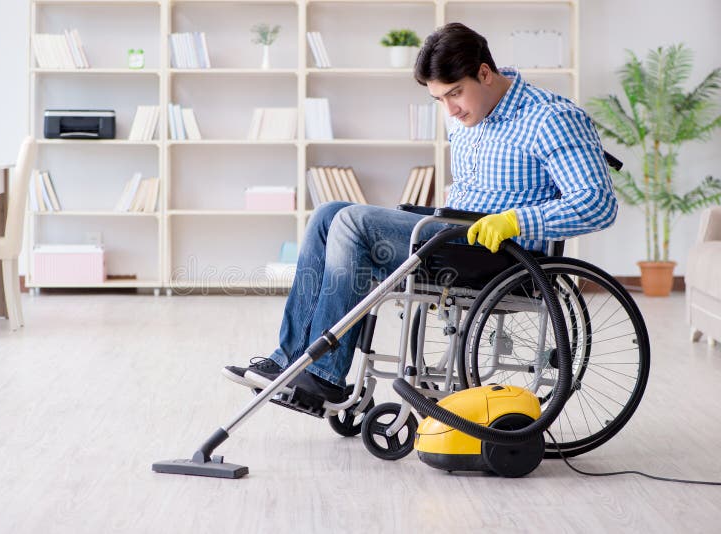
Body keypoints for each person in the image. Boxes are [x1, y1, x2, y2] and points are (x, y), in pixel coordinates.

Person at [222, 22, 617, 404]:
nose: (450, 109)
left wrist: (515, 220)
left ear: (485, 73)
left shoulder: (551, 119)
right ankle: (288, 360)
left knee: (352, 223)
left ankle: (324, 375)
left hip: (504, 256)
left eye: (456, 94)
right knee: (329, 213)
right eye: (439, 99)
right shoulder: (468, 117)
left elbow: (598, 203)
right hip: (453, 236)